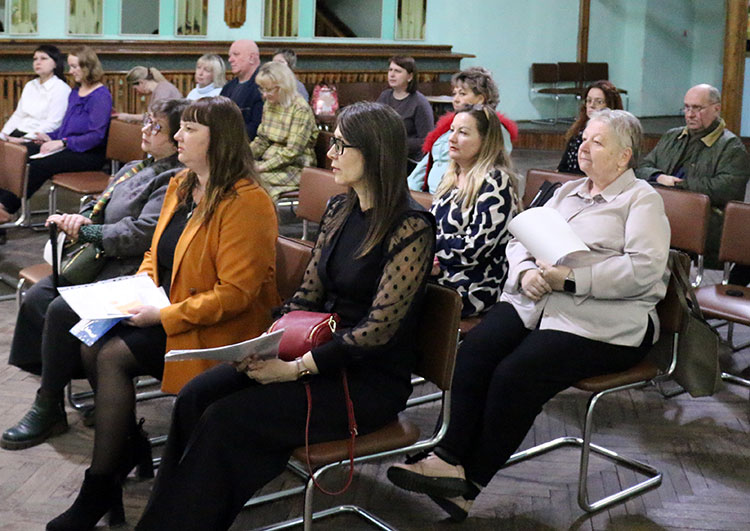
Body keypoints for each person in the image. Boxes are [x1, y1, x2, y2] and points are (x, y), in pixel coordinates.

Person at [134, 102, 436, 531]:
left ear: (373, 152)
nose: (329, 153)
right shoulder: (340, 208)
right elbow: (307, 295)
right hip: (312, 351)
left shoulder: (410, 226)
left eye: (340, 145)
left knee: (226, 418)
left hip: (364, 378)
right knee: (196, 396)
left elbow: (377, 331)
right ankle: (166, 519)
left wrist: (295, 368)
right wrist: (266, 345)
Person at [388, 109, 670, 523]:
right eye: (584, 138)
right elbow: (520, 237)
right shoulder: (567, 191)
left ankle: (469, 482)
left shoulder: (641, 199)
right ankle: (447, 456)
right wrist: (525, 273)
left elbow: (644, 270)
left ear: (624, 156)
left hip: (606, 319)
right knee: (474, 352)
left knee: (516, 374)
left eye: (596, 142)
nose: (583, 147)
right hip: (537, 300)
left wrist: (570, 280)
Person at [45, 96, 280, 531]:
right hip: (173, 310)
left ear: (218, 141)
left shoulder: (248, 202)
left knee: (112, 356)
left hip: (221, 332)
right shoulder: (183, 184)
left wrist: (162, 315)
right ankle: (121, 454)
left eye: (190, 129)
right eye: (181, 127)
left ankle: (101, 484)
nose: (178, 136)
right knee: (91, 341)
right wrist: (140, 291)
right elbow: (155, 252)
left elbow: (235, 295)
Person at [1, 98, 189, 450]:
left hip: (131, 268)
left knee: (61, 307)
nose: (145, 130)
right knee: (40, 296)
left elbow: (142, 234)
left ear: (177, 137)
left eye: (156, 127)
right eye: (146, 121)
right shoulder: (135, 166)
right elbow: (99, 202)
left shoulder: (172, 178)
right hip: (102, 258)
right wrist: (81, 217)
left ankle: (49, 405)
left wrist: (88, 231)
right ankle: (84, 392)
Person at [635, 83, 750, 285]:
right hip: (660, 212)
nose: (690, 114)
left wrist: (679, 187)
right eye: (687, 107)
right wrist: (659, 177)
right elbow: (642, 167)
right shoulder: (672, 136)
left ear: (716, 108)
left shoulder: (731, 147)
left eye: (697, 108)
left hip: (704, 222)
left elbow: (727, 189)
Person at [0, 46, 112, 225]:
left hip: (88, 154)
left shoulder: (100, 96)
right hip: (69, 146)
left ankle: (6, 207)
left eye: (74, 67)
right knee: (22, 153)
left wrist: (63, 142)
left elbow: (96, 136)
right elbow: (65, 128)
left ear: (87, 67)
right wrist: (49, 137)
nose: (71, 71)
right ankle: (3, 203)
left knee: (39, 165)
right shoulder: (76, 92)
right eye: (70, 66)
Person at [431, 105, 519, 318]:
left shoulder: (496, 181)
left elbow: (476, 248)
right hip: (439, 271)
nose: (451, 138)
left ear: (485, 141)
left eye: (463, 132)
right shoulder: (450, 178)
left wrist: (428, 250)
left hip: (474, 284)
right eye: (452, 130)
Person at [408, 66, 519, 194]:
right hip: (429, 195)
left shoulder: (494, 129)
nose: (455, 99)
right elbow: (425, 165)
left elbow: (494, 167)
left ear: (480, 98)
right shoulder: (448, 127)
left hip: (460, 196)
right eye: (454, 94)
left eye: (462, 94)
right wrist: (409, 189)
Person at [250, 62, 318, 200]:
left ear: (283, 87)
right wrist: (243, 157)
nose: (265, 94)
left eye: (269, 90)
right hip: (272, 163)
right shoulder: (269, 104)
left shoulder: (300, 109)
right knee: (238, 174)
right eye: (262, 89)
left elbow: (292, 152)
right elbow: (262, 140)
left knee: (252, 179)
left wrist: (261, 167)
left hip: (296, 167)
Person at [0, 44, 71, 142]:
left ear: (55, 64)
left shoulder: (61, 88)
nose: (38, 62)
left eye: (43, 58)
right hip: (19, 131)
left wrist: (25, 139)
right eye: (35, 59)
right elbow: (18, 115)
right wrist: (3, 134)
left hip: (40, 137)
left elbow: (53, 123)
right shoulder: (30, 85)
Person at [376, 55, 434, 169]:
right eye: (390, 70)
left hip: (410, 161)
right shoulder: (384, 96)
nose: (392, 74)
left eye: (397, 71)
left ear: (410, 76)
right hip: (385, 156)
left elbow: (426, 140)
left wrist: (397, 143)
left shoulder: (419, 103)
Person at [557, 80, 623, 174]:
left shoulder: (617, 135)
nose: (592, 105)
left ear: (611, 106)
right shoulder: (578, 130)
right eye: (589, 101)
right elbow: (563, 166)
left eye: (599, 102)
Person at [220, 39, 263, 140]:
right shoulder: (228, 87)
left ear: (251, 58)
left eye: (236, 54)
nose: (230, 60)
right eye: (230, 56)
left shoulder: (263, 86)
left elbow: (257, 127)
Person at [115, 66, 182, 122]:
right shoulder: (160, 89)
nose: (137, 92)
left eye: (135, 89)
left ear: (141, 82)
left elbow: (156, 117)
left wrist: (128, 117)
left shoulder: (163, 90)